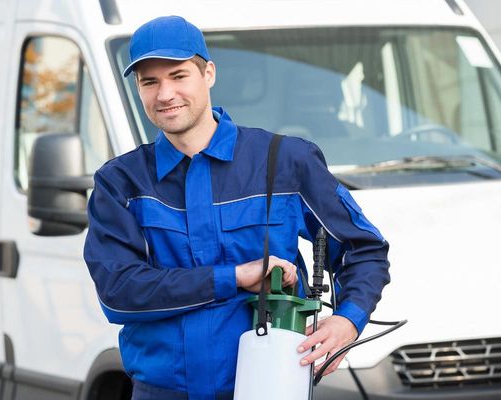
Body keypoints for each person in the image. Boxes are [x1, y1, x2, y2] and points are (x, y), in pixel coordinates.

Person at [84, 15, 390, 400]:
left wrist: (348, 320)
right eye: (150, 82)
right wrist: (237, 276)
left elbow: (364, 249)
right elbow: (118, 292)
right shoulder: (121, 183)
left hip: (272, 387)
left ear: (208, 73)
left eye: (178, 76)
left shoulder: (283, 162)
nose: (165, 94)